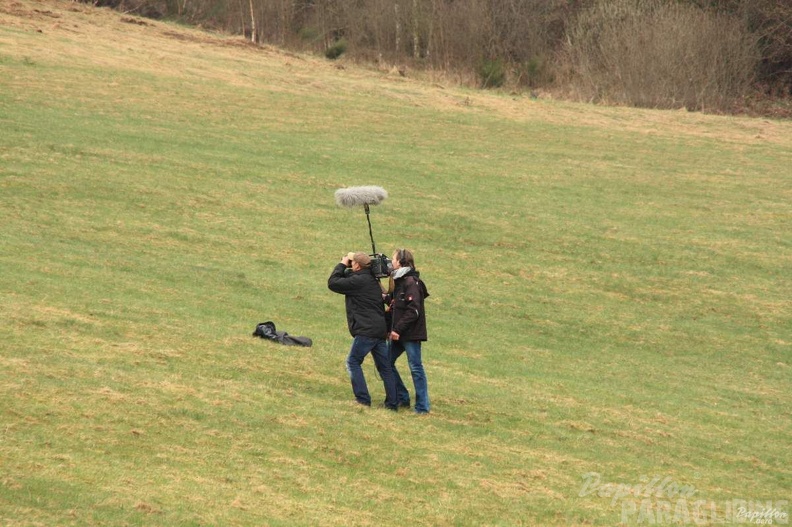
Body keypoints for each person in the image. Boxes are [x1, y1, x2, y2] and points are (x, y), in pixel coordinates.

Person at [328, 252, 399, 411]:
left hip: (366, 331)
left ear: (357, 265)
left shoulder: (358, 281)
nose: (350, 264)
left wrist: (341, 264)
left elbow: (333, 283)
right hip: (379, 330)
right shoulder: (372, 281)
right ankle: (392, 404)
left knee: (353, 362)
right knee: (385, 368)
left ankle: (363, 399)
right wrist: (347, 266)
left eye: (352, 262)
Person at [386, 248, 430, 414]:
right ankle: (402, 397)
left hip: (410, 334)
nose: (391, 263)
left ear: (401, 262)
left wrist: (397, 329)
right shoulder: (400, 281)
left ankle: (422, 407)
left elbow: (414, 311)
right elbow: (396, 303)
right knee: (385, 362)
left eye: (394, 259)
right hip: (399, 333)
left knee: (416, 368)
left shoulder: (411, 282)